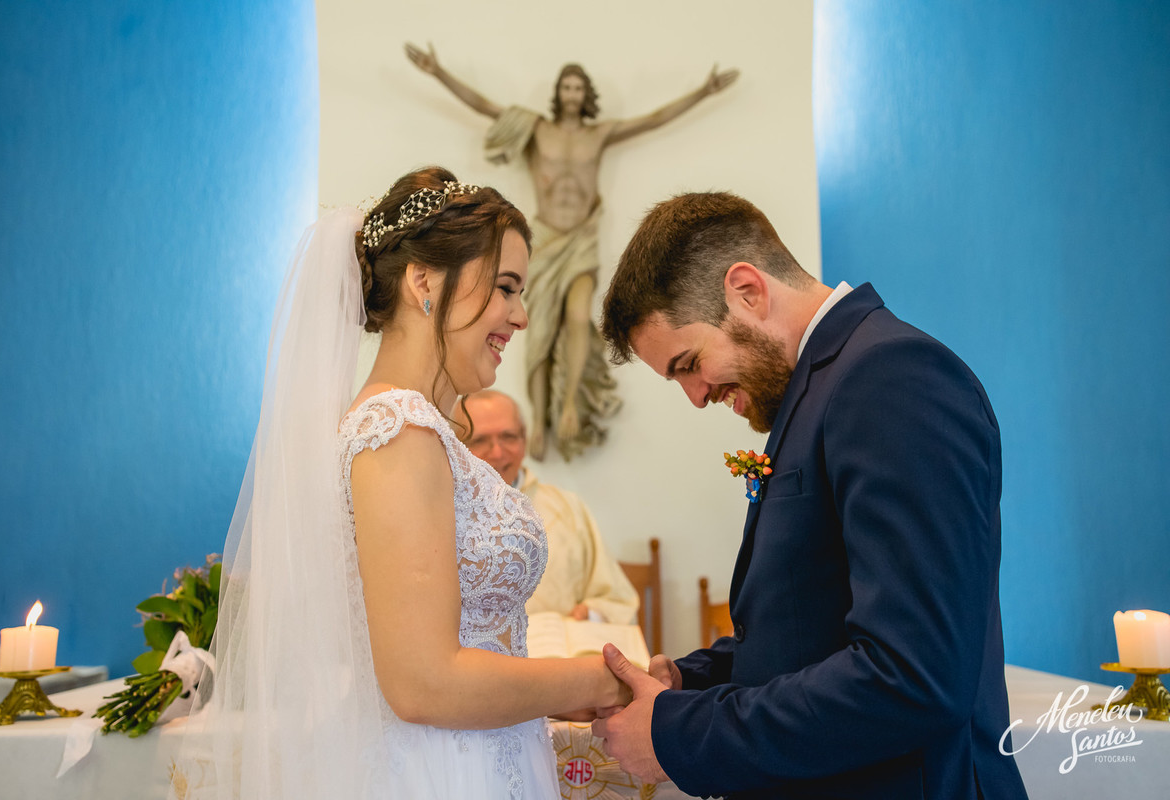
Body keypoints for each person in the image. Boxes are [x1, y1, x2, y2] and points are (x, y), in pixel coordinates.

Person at [183, 167, 628, 799]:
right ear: (424, 280)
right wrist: (596, 681)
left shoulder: (422, 431)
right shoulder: (398, 431)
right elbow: (424, 684)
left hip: (480, 752)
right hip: (443, 772)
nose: (521, 316)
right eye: (505, 287)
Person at [589, 192, 1029, 799]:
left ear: (747, 289)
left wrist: (680, 733)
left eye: (689, 362)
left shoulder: (891, 377)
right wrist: (689, 682)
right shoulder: (828, 384)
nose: (694, 395)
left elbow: (911, 675)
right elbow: (810, 625)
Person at [404, 44, 738, 461]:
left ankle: (567, 408)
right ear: (559, 92)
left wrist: (703, 92)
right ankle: (540, 415)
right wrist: (438, 71)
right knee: (538, 331)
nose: (572, 92)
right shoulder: (536, 130)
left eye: (579, 86)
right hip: (542, 239)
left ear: (587, 94)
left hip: (580, 239)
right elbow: (485, 106)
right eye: (567, 85)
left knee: (580, 317)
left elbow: (652, 120)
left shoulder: (599, 134)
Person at [456, 389, 640, 624]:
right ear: (456, 447)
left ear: (524, 439)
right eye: (479, 440)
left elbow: (615, 600)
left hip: (558, 655)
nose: (497, 452)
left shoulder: (567, 507)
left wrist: (589, 614)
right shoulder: (441, 513)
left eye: (508, 436)